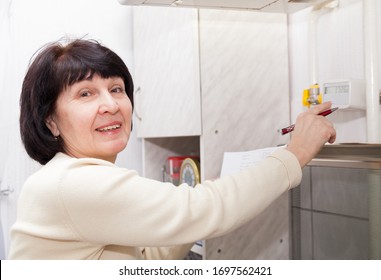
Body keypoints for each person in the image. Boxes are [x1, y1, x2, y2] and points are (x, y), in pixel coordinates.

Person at [8, 39, 336, 260]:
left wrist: (188, 214)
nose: (110, 105)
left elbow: (145, 258)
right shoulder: (72, 184)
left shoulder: (78, 179)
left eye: (116, 88)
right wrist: (296, 153)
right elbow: (205, 209)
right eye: (85, 94)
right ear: (50, 120)